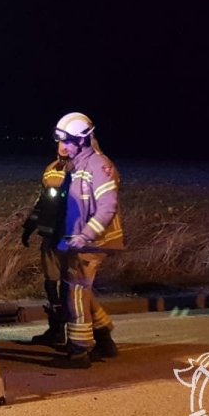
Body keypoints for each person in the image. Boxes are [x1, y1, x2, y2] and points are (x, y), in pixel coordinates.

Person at [51, 112, 124, 368]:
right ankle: (104, 336)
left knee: (76, 293)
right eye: (59, 139)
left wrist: (86, 235)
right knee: (80, 289)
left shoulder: (97, 165)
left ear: (82, 141)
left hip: (91, 242)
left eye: (68, 141)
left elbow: (107, 206)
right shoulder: (79, 164)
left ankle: (79, 351)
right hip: (77, 239)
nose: (62, 146)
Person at [21, 143, 72, 348]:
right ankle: (56, 329)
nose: (64, 147)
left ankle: (86, 334)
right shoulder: (52, 168)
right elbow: (44, 202)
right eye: (61, 142)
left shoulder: (82, 170)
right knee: (51, 283)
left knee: (71, 286)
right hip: (51, 237)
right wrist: (29, 226)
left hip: (71, 238)